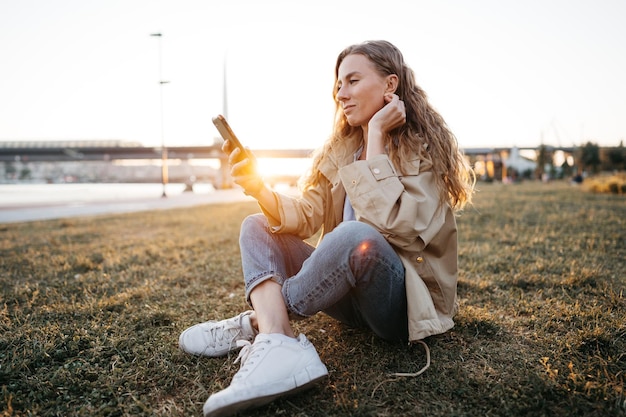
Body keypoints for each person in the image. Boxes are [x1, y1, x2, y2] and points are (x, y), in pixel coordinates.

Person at [179, 40, 475, 417]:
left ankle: (259, 323)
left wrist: (377, 140)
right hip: (347, 295)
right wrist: (259, 188)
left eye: (352, 81)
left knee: (355, 236)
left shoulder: (421, 150)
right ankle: (278, 338)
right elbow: (305, 215)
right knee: (257, 225)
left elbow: (398, 228)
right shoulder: (340, 149)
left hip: (398, 306)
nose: (342, 94)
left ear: (390, 85)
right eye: (338, 85)